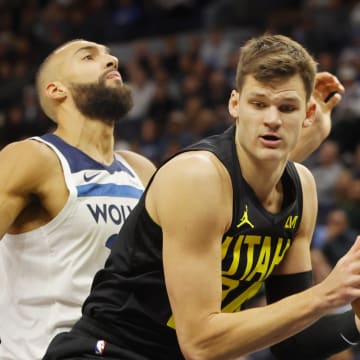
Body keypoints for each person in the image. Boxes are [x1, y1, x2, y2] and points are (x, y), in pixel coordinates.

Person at [43, 34, 360, 360]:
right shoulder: (198, 177)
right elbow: (200, 343)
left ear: (308, 113)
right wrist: (327, 294)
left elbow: (292, 343)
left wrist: (357, 320)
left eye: (287, 107)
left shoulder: (302, 190)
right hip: (109, 352)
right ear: (235, 104)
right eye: (259, 104)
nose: (272, 119)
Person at [0, 39, 156, 360]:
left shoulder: (141, 171)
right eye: (89, 56)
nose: (112, 60)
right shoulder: (32, 158)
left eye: (111, 55)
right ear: (57, 90)